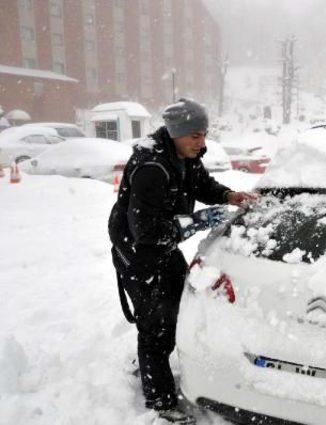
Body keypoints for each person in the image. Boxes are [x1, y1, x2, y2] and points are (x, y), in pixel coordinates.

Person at [108, 98, 256, 424]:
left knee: (179, 309)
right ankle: (161, 400)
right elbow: (145, 230)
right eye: (195, 136)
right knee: (156, 327)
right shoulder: (152, 167)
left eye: (204, 135)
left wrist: (228, 195)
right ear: (176, 133)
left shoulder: (184, 154)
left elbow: (200, 183)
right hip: (137, 254)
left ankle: (152, 361)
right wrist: (198, 221)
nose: (201, 143)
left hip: (164, 246)